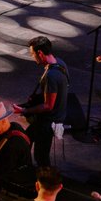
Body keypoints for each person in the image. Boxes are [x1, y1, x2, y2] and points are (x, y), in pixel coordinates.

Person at [15, 36, 69, 167]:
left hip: (48, 122)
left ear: (40, 53)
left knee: (41, 157)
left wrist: (25, 110)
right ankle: (25, 168)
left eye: (33, 54)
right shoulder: (60, 63)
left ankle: (47, 182)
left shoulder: (51, 76)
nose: (33, 57)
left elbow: (48, 106)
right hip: (53, 117)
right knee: (26, 140)